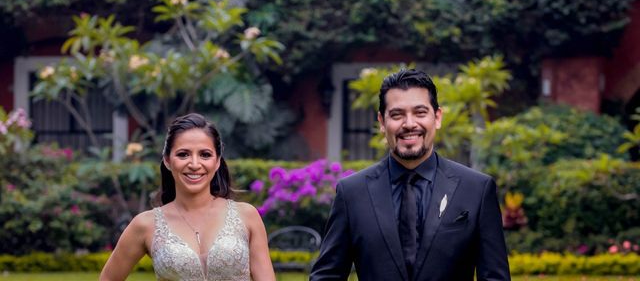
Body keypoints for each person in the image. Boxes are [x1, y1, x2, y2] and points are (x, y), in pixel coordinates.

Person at [310, 69, 510, 281]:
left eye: (420, 112)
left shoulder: (477, 189)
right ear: (381, 121)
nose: (409, 124)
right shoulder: (352, 193)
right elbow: (326, 276)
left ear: (437, 117)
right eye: (397, 115)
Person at [100, 113, 275, 281]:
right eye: (183, 154)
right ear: (168, 161)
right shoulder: (145, 224)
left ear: (217, 161)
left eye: (205, 155)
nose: (194, 164)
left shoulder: (246, 216)